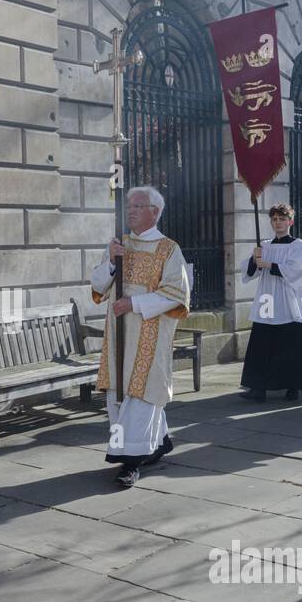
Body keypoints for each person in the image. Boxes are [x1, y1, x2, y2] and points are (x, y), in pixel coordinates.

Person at [90, 186, 190, 488]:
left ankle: (130, 463)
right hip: (119, 337)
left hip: (149, 336)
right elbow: (97, 285)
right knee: (119, 394)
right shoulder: (119, 244)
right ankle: (159, 443)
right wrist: (110, 261)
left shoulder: (169, 249)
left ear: (154, 212)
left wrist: (134, 303)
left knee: (141, 396)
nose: (130, 211)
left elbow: (178, 293)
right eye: (129, 206)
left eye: (137, 206)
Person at [240, 203, 302, 403]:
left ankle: (293, 386)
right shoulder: (265, 245)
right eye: (274, 219)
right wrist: (254, 259)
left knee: (290, 344)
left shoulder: (298, 245)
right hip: (267, 299)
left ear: (290, 221)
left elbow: (297, 270)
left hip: (289, 299)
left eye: (282, 219)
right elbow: (250, 272)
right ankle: (258, 387)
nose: (278, 223)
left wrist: (268, 264)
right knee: (262, 343)